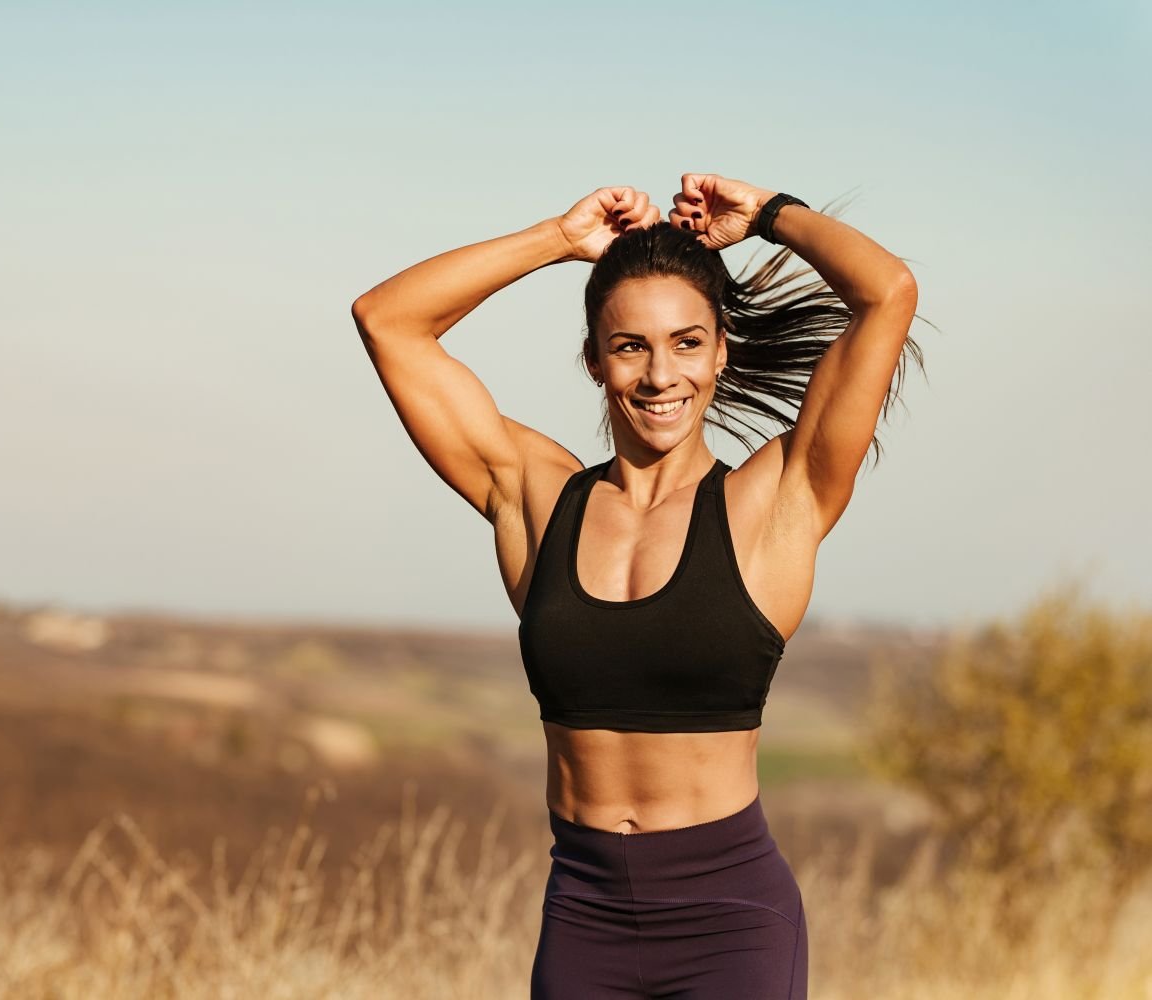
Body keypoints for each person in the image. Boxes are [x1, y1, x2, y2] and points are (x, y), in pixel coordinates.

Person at [350, 175, 923, 999]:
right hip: (582, 915)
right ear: (594, 359)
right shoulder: (537, 497)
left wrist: (766, 216)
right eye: (630, 347)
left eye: (687, 343)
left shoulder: (776, 500)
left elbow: (886, 293)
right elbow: (389, 320)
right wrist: (559, 237)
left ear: (721, 350)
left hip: (732, 922)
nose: (661, 376)